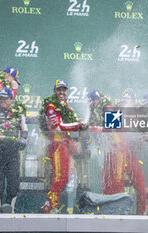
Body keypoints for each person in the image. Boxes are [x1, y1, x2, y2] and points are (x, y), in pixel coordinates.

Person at [40, 79, 88, 214]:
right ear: (54, 91)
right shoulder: (51, 106)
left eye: (64, 89)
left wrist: (80, 123)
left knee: (66, 177)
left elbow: (70, 122)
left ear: (66, 91)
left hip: (65, 145)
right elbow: (58, 127)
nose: (61, 92)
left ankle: (48, 204)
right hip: (56, 145)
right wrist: (77, 125)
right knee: (59, 176)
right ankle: (51, 207)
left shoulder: (65, 106)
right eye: (59, 89)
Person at [0, 87, 28, 213]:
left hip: (13, 154)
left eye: (5, 98)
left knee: (13, 184)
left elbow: (25, 130)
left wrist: (23, 140)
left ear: (11, 99)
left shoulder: (19, 113)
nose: (2, 100)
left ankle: (11, 210)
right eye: (0, 98)